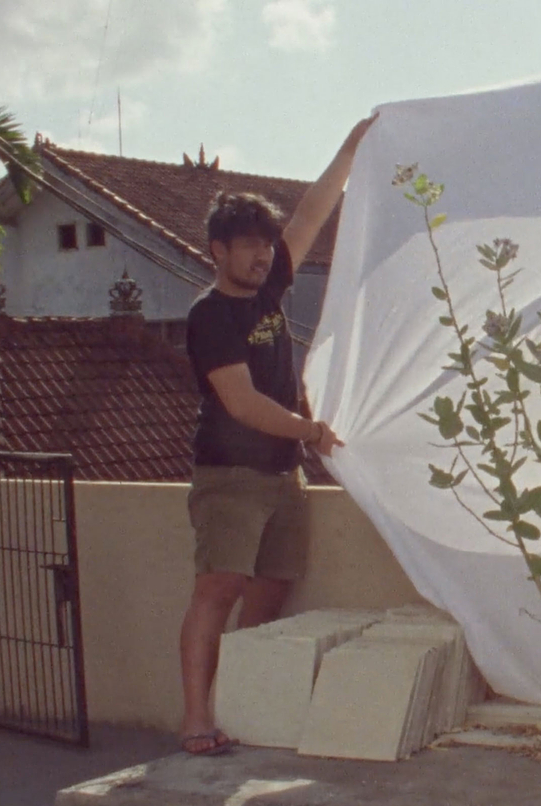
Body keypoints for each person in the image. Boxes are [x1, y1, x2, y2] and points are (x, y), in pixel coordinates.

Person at [177, 114, 376, 755]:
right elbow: (240, 402)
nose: (263, 254)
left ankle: (246, 708)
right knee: (218, 592)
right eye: (248, 246)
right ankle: (197, 720)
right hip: (231, 476)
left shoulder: (270, 291)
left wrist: (350, 145)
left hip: (281, 475)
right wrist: (313, 430)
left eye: (266, 244)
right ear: (218, 251)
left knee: (269, 594)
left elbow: (313, 213)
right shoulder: (210, 316)